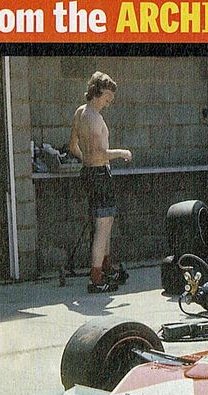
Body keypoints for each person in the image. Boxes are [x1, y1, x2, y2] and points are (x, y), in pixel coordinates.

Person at [69, 71, 132, 293]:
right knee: (102, 228)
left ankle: (106, 268)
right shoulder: (94, 118)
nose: (109, 102)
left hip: (89, 173)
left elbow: (73, 147)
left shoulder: (80, 112)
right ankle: (96, 278)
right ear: (99, 92)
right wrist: (121, 152)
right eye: (108, 97)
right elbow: (100, 152)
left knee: (105, 223)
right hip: (99, 174)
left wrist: (86, 160)